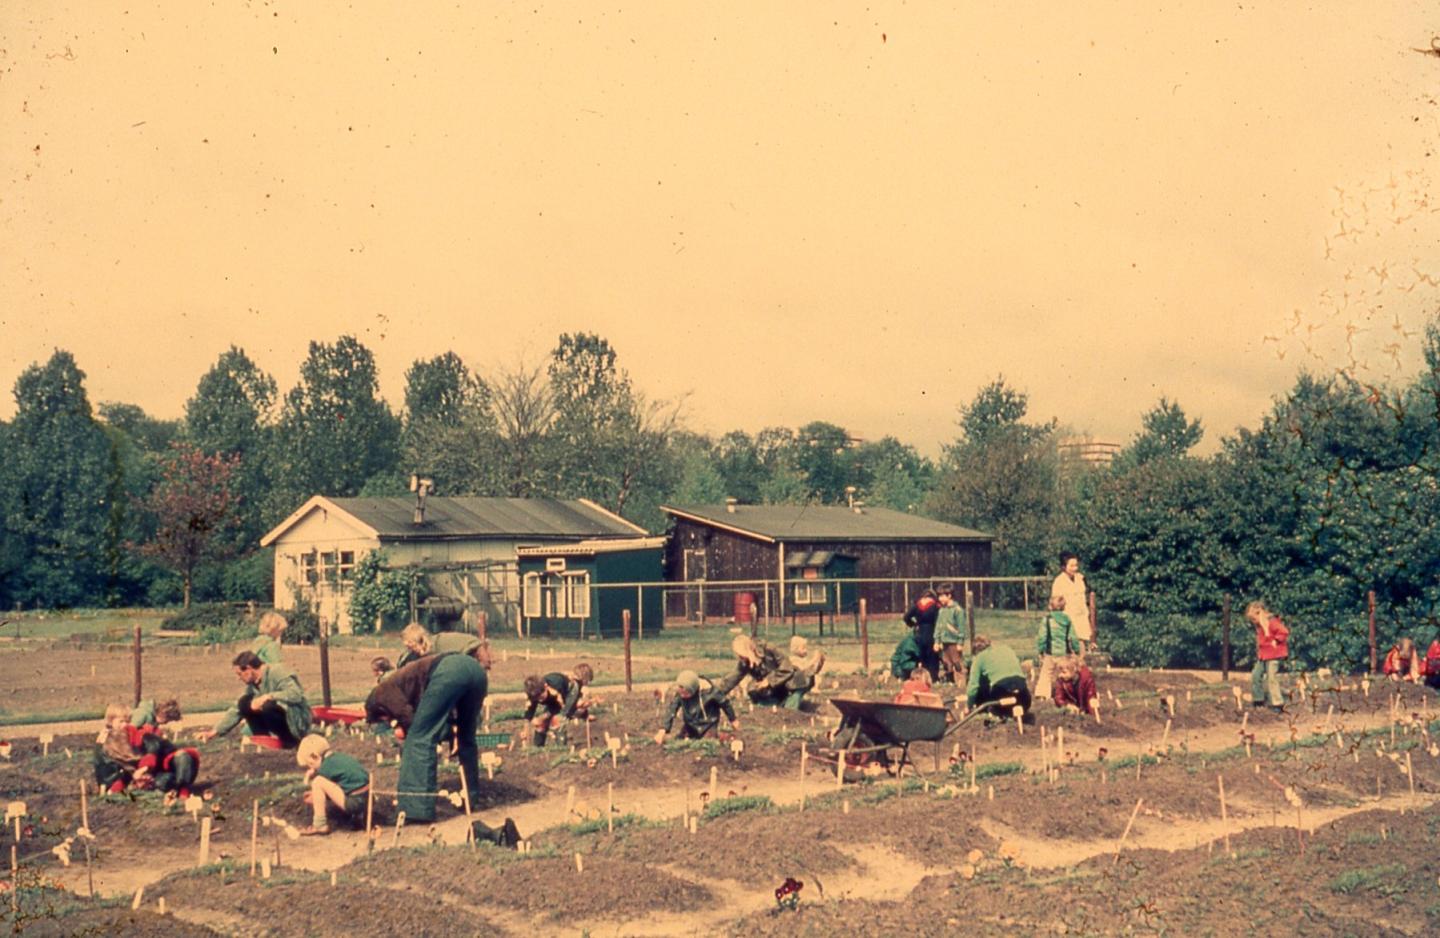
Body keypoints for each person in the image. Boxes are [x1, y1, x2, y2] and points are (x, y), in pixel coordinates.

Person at [364, 651, 488, 823]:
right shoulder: (403, 685)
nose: (388, 721)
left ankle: (415, 809)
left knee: (418, 739)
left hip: (449, 671)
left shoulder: (381, 693)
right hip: (476, 671)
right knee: (466, 737)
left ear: (377, 709)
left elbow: (408, 717)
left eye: (384, 718)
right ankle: (470, 796)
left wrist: (407, 731)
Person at [198, 651, 314, 748]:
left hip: (297, 720)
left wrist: (268, 696)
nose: (239, 679)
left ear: (248, 669)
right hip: (281, 716)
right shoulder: (253, 685)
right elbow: (237, 709)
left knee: (268, 705)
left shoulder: (277, 671)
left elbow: (295, 694)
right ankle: (265, 743)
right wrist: (214, 731)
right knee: (244, 703)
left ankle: (291, 743)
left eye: (239, 674)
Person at [296, 734, 370, 835]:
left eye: (311, 765)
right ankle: (358, 818)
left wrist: (315, 796)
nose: (313, 769)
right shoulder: (338, 758)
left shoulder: (325, 768)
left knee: (318, 782)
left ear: (315, 756)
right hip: (368, 799)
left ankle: (320, 824)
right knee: (349, 784)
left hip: (355, 803)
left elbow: (325, 789)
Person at [717, 635, 811, 709]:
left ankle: (790, 707)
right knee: (752, 688)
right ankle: (777, 703)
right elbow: (731, 679)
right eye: (740, 657)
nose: (742, 659)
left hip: (792, 681)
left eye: (743, 656)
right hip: (776, 687)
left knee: (793, 685)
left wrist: (768, 681)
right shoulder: (745, 662)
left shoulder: (769, 649)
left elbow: (787, 668)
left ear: (751, 649)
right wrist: (714, 694)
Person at [653, 670, 740, 744]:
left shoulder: (711, 692)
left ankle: (725, 737)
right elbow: (672, 709)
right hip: (690, 724)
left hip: (708, 725)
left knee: (707, 743)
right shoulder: (680, 693)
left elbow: (725, 703)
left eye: (686, 693)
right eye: (681, 693)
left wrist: (733, 719)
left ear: (693, 689)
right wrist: (663, 730)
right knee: (679, 741)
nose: (682, 696)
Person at [522, 663, 594, 747]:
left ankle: (561, 749)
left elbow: (559, 707)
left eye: (541, 697)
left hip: (569, 692)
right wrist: (525, 730)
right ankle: (538, 748)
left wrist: (545, 717)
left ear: (545, 687)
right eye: (536, 698)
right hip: (555, 698)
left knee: (558, 720)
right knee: (541, 724)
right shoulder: (535, 692)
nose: (539, 700)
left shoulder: (557, 685)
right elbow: (529, 712)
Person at [966, 635, 1032, 720]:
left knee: (987, 692)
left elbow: (973, 688)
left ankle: (1001, 713)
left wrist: (969, 706)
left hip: (1002, 694)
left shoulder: (979, 658)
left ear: (975, 650)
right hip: (1024, 697)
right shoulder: (1006, 649)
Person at [1246, 600, 1289, 711]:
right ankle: (1258, 700)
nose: (1253, 622)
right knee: (1256, 675)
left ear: (1260, 613)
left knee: (1271, 678)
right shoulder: (1260, 626)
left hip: (1274, 655)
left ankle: (1277, 703)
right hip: (1263, 656)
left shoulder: (1272, 622)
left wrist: (1276, 640)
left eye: (1254, 619)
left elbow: (1284, 632)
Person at [1034, 596, 1078, 701]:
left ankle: (1043, 695)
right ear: (1063, 607)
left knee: (1046, 673)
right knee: (1063, 673)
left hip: (1050, 652)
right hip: (1063, 652)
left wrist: (1041, 650)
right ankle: (1065, 693)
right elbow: (1073, 636)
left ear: (1051, 606)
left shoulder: (1047, 619)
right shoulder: (1067, 620)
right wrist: (1076, 649)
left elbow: (1042, 637)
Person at [1051, 552, 1093, 656]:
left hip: (1081, 618)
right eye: (1071, 566)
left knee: (1081, 649)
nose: (1075, 568)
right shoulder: (1059, 581)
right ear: (1063, 567)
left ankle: (1081, 670)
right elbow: (1055, 604)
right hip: (1068, 619)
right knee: (1070, 651)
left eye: (1076, 565)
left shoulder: (1080, 578)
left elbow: (1086, 597)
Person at [396, 623, 488, 670]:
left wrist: (483, 664)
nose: (409, 650)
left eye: (411, 646)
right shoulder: (411, 656)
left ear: (419, 641)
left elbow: (475, 643)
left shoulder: (441, 641)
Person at [902, 588, 941, 680]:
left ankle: (923, 677)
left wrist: (913, 624)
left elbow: (906, 617)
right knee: (933, 656)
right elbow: (938, 621)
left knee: (922, 656)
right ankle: (933, 677)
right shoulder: (935, 606)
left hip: (920, 633)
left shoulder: (917, 605)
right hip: (932, 632)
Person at [934, 583, 966, 684]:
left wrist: (960, 642)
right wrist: (937, 640)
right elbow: (938, 626)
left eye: (942, 596)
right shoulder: (941, 610)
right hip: (944, 641)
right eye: (939, 596)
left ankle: (960, 681)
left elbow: (961, 627)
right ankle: (950, 681)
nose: (940, 598)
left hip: (954, 642)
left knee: (957, 662)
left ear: (949, 596)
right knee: (946, 662)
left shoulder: (958, 610)